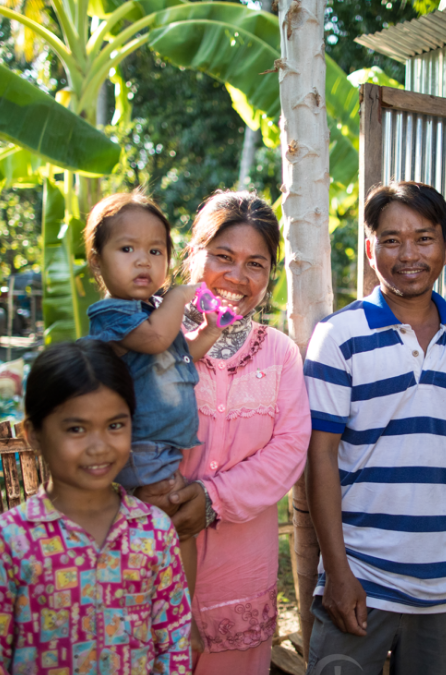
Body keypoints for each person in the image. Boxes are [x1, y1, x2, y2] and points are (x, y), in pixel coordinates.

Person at [303, 181, 446, 674]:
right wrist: (339, 573)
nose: (408, 254)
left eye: (424, 237)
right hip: (360, 580)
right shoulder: (338, 337)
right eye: (391, 240)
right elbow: (320, 456)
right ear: (370, 249)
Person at [0, 341, 191, 674]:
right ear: (33, 435)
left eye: (115, 425)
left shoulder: (154, 531)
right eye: (76, 429)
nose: (99, 446)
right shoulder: (6, 543)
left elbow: (174, 644)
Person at [164, 191, 311, 674]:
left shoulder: (280, 353)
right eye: (222, 257)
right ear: (194, 254)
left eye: (256, 264)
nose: (237, 277)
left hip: (242, 567)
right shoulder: (152, 339)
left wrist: (211, 498)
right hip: (152, 553)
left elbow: (290, 450)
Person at [82, 190, 225, 650]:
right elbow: (158, 338)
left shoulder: (150, 313)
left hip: (162, 448)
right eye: (127, 249)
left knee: (172, 528)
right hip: (139, 446)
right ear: (97, 262)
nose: (143, 261)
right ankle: (166, 620)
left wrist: (209, 332)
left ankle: (172, 613)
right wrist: (182, 295)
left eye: (155, 251)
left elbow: (181, 350)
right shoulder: (112, 315)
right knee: (163, 525)